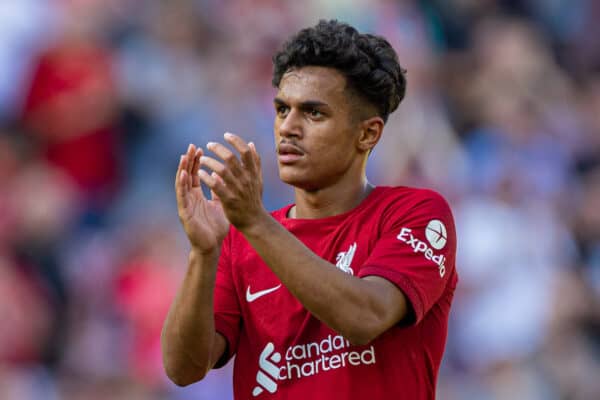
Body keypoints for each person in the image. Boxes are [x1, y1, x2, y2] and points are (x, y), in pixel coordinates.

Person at [161, 20, 458, 400]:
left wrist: (254, 222)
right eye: (282, 109)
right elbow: (183, 369)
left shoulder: (416, 214)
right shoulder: (239, 242)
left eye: (313, 113)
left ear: (367, 133)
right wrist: (203, 253)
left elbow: (365, 317)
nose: (288, 127)